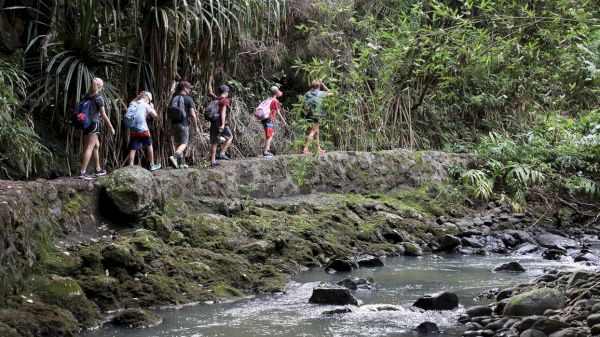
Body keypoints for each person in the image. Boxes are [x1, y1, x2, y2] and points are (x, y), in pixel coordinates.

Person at [79, 77, 115, 180]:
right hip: (94, 124)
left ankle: (98, 169)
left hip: (86, 124)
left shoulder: (86, 96)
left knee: (96, 145)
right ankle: (83, 172)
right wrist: (111, 127)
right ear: (100, 86)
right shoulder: (98, 98)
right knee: (89, 147)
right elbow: (103, 115)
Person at [125, 91, 161, 171]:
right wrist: (152, 107)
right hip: (143, 130)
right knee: (149, 145)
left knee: (133, 147)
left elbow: (132, 103)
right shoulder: (146, 105)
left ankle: (130, 165)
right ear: (147, 98)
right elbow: (155, 115)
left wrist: (138, 97)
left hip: (133, 129)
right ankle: (152, 164)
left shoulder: (133, 103)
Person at [168, 81, 200, 169]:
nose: (190, 89)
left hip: (174, 124)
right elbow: (193, 115)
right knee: (184, 143)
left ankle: (181, 163)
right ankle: (174, 157)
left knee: (178, 144)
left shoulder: (174, 98)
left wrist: (169, 127)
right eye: (189, 87)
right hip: (183, 123)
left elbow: (170, 114)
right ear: (184, 88)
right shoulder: (188, 99)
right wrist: (196, 127)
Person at [302, 79, 332, 155]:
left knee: (316, 131)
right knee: (313, 131)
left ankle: (318, 149)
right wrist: (324, 85)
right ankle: (305, 149)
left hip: (309, 114)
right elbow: (333, 93)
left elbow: (304, 103)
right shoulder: (322, 93)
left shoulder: (308, 93)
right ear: (320, 85)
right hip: (317, 114)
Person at [209, 85, 234, 167]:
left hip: (213, 123)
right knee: (230, 137)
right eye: (228, 92)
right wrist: (223, 125)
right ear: (225, 92)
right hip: (220, 123)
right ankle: (222, 153)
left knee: (214, 142)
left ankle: (213, 161)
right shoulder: (225, 100)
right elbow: (223, 113)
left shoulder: (215, 100)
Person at [262, 86, 287, 157]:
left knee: (271, 134)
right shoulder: (275, 101)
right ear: (276, 92)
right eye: (279, 91)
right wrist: (283, 121)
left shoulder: (269, 99)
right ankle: (265, 152)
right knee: (269, 135)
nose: (280, 92)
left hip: (266, 119)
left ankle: (267, 150)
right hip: (268, 120)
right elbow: (278, 112)